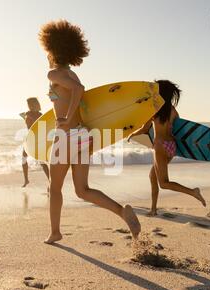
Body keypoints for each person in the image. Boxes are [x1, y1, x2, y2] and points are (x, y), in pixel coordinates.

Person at [39, 20, 141, 244]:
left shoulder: (54, 74)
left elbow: (78, 91)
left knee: (54, 187)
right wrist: (72, 118)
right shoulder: (71, 73)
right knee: (82, 190)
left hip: (65, 136)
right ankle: (121, 212)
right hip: (81, 135)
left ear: (52, 49)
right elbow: (77, 90)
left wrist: (64, 119)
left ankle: (55, 232)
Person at [127, 80, 206, 216]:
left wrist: (131, 134)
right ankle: (153, 209)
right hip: (171, 147)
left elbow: (144, 129)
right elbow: (179, 129)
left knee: (163, 183)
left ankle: (193, 192)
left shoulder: (155, 109)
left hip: (160, 146)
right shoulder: (173, 110)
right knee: (153, 176)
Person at [21, 97, 50, 189]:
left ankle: (26, 180)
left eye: (29, 104)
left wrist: (26, 117)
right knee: (37, 160)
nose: (28, 106)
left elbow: (30, 126)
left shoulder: (28, 114)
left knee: (28, 159)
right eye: (28, 105)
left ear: (34, 105)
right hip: (36, 138)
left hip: (33, 139)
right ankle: (50, 180)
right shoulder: (40, 115)